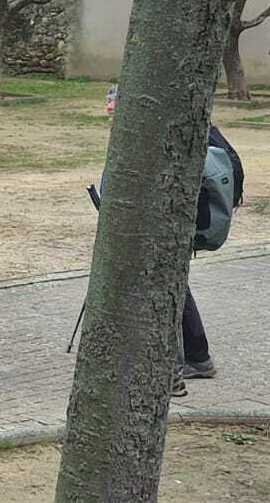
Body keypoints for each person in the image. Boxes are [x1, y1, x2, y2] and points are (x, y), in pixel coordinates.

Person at [104, 85, 241, 394]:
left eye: (115, 100)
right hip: (172, 224)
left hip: (162, 226)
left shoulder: (154, 134)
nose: (109, 107)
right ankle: (197, 358)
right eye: (108, 100)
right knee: (175, 285)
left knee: (160, 288)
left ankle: (171, 373)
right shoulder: (161, 126)